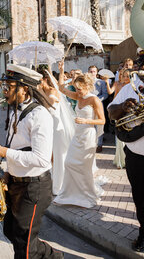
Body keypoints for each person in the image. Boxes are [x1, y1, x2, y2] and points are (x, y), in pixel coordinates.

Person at [0, 64, 64, 259]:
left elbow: (42, 159)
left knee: (24, 248)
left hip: (34, 187)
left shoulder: (40, 115)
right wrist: (8, 173)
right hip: (16, 183)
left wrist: (2, 151)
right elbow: (17, 148)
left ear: (24, 88)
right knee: (11, 232)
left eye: (9, 86)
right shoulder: (14, 111)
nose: (5, 91)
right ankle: (52, 255)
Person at [108, 57, 144, 254]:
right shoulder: (130, 88)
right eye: (141, 61)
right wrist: (122, 107)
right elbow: (111, 112)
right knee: (140, 198)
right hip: (135, 155)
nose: (143, 66)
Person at [54, 61, 105, 208]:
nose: (78, 92)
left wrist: (86, 120)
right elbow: (61, 89)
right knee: (69, 163)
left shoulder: (94, 100)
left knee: (84, 168)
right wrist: (62, 70)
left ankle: (86, 195)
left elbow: (102, 121)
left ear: (88, 87)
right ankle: (69, 193)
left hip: (88, 136)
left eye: (80, 89)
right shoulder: (78, 97)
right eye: (76, 88)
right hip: (77, 136)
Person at [38, 68, 66, 195]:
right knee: (48, 154)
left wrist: (40, 92)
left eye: (38, 80)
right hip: (47, 126)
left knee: (56, 155)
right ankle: (50, 180)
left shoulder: (52, 90)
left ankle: (58, 183)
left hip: (56, 126)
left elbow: (50, 104)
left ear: (44, 79)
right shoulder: (42, 90)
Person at [88, 65, 108, 153]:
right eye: (91, 71)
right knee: (89, 124)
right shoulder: (86, 82)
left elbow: (105, 94)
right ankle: (90, 143)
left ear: (97, 72)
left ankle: (99, 144)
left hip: (98, 104)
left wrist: (96, 100)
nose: (92, 73)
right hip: (87, 105)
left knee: (99, 125)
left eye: (94, 71)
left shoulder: (101, 82)